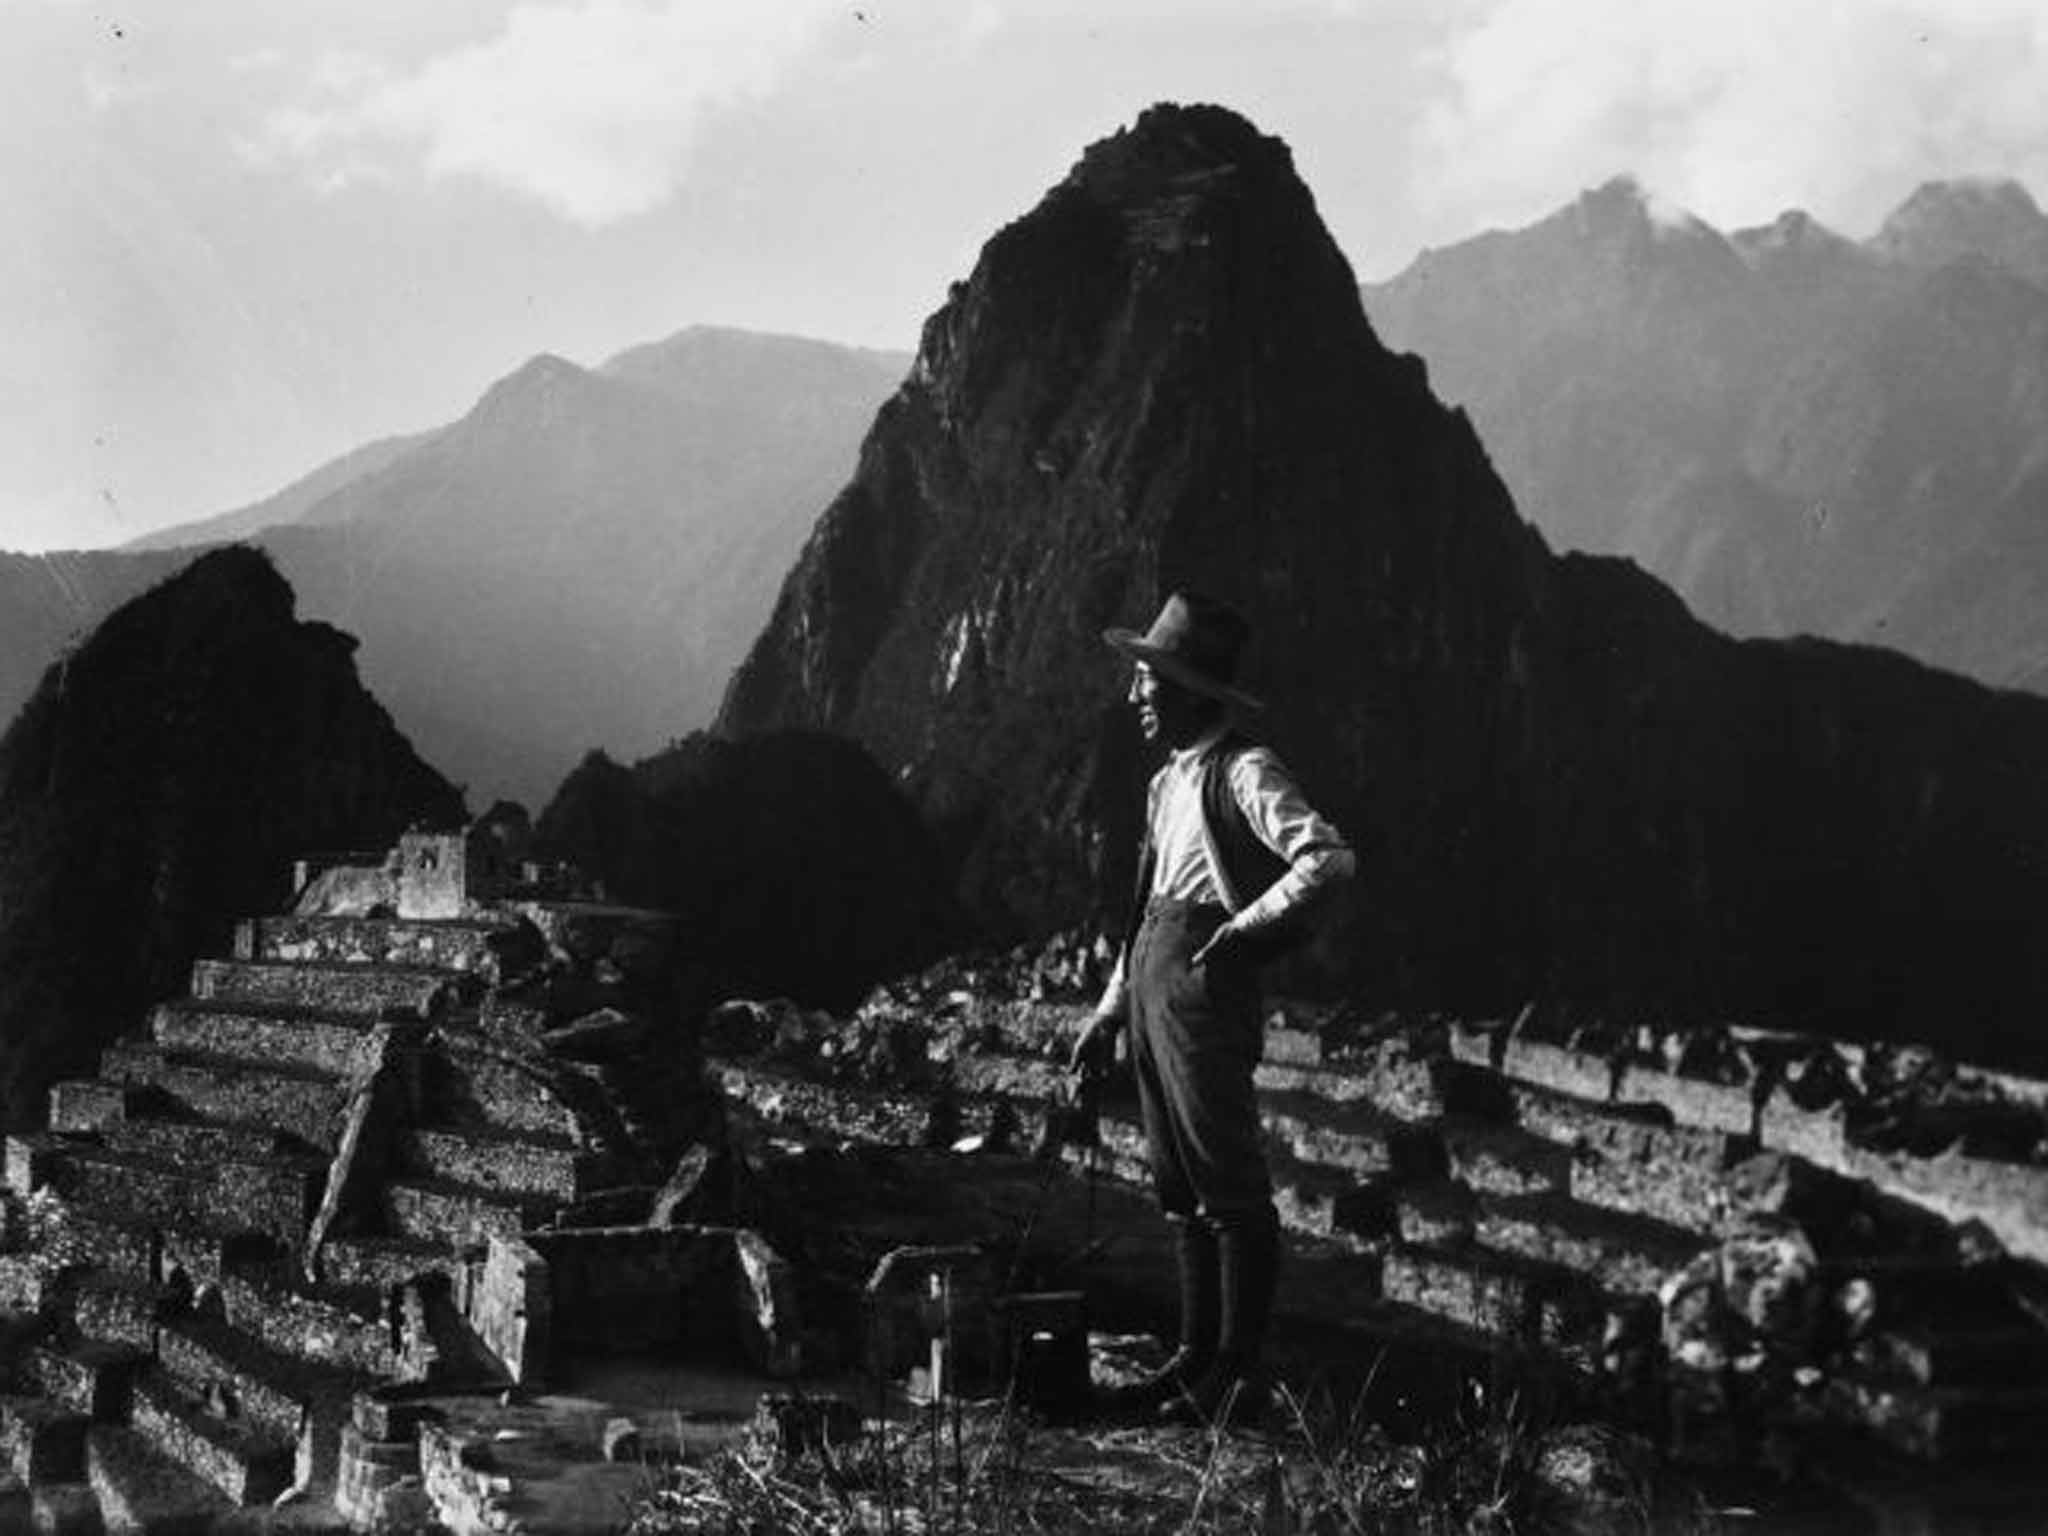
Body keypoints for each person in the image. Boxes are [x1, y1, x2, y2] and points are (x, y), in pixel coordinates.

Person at [1071, 590, 1355, 1427]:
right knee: (1177, 1181)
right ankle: (1193, 1357)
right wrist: (1109, 1012)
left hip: (1201, 987)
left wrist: (1243, 930)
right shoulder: (1166, 784)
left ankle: (1235, 1369)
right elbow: (1144, 906)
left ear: (1195, 689)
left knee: (1226, 1178)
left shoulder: (1245, 771)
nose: (1137, 697)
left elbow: (1329, 860)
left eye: (1151, 682)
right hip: (1154, 979)